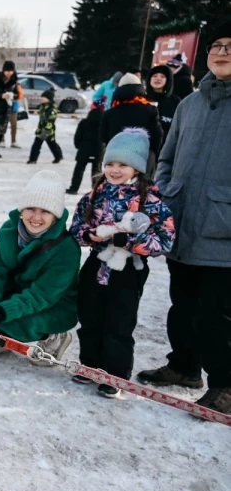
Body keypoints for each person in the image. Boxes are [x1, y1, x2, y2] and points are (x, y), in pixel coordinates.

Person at [137, 20, 231, 413]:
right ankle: (185, 367)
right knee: (182, 306)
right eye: (216, 46)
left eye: (230, 45)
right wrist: (165, 192)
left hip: (222, 231)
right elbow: (168, 156)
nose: (222, 52)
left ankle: (225, 385)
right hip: (181, 224)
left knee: (218, 315)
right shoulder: (190, 104)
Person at [70, 129, 175, 398]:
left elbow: (165, 240)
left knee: (119, 321)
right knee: (90, 315)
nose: (115, 170)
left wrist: (129, 240)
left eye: (123, 165)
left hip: (129, 269)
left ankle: (115, 375)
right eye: (110, 164)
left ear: (137, 167)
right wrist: (87, 235)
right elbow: (77, 224)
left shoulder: (151, 200)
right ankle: (91, 365)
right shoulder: (96, 193)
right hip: (97, 263)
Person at [0, 171, 80, 363]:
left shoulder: (66, 248)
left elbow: (41, 296)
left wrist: (1, 312)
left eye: (45, 211)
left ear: (55, 216)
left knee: (17, 323)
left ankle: (54, 336)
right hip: (17, 289)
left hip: (53, 303)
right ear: (22, 210)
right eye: (31, 208)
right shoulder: (9, 230)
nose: (36, 217)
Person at [99, 73, 162, 178]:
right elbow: (157, 136)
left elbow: (103, 137)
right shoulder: (150, 110)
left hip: (116, 159)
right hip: (142, 159)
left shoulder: (110, 113)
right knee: (141, 189)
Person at [67, 97, 106, 194]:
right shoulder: (105, 122)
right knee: (97, 170)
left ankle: (74, 188)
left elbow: (77, 136)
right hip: (99, 150)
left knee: (79, 169)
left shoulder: (84, 122)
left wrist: (78, 146)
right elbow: (108, 136)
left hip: (84, 149)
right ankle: (96, 190)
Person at [146, 64, 181, 141]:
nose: (158, 78)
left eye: (162, 76)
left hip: (165, 146)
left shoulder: (175, 101)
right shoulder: (142, 99)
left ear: (168, 80)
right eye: (155, 76)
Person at [27, 88, 63, 164]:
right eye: (42, 97)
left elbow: (51, 120)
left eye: (44, 97)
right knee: (40, 144)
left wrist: (46, 130)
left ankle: (58, 156)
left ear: (49, 99)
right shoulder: (42, 106)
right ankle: (33, 159)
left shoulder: (52, 108)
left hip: (48, 130)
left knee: (49, 143)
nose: (42, 98)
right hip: (41, 128)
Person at [10, 79, 25, 148]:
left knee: (14, 124)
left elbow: (20, 95)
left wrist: (12, 96)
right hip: (3, 107)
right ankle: (1, 140)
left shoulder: (17, 84)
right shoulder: (2, 82)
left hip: (13, 107)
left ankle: (13, 141)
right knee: (3, 124)